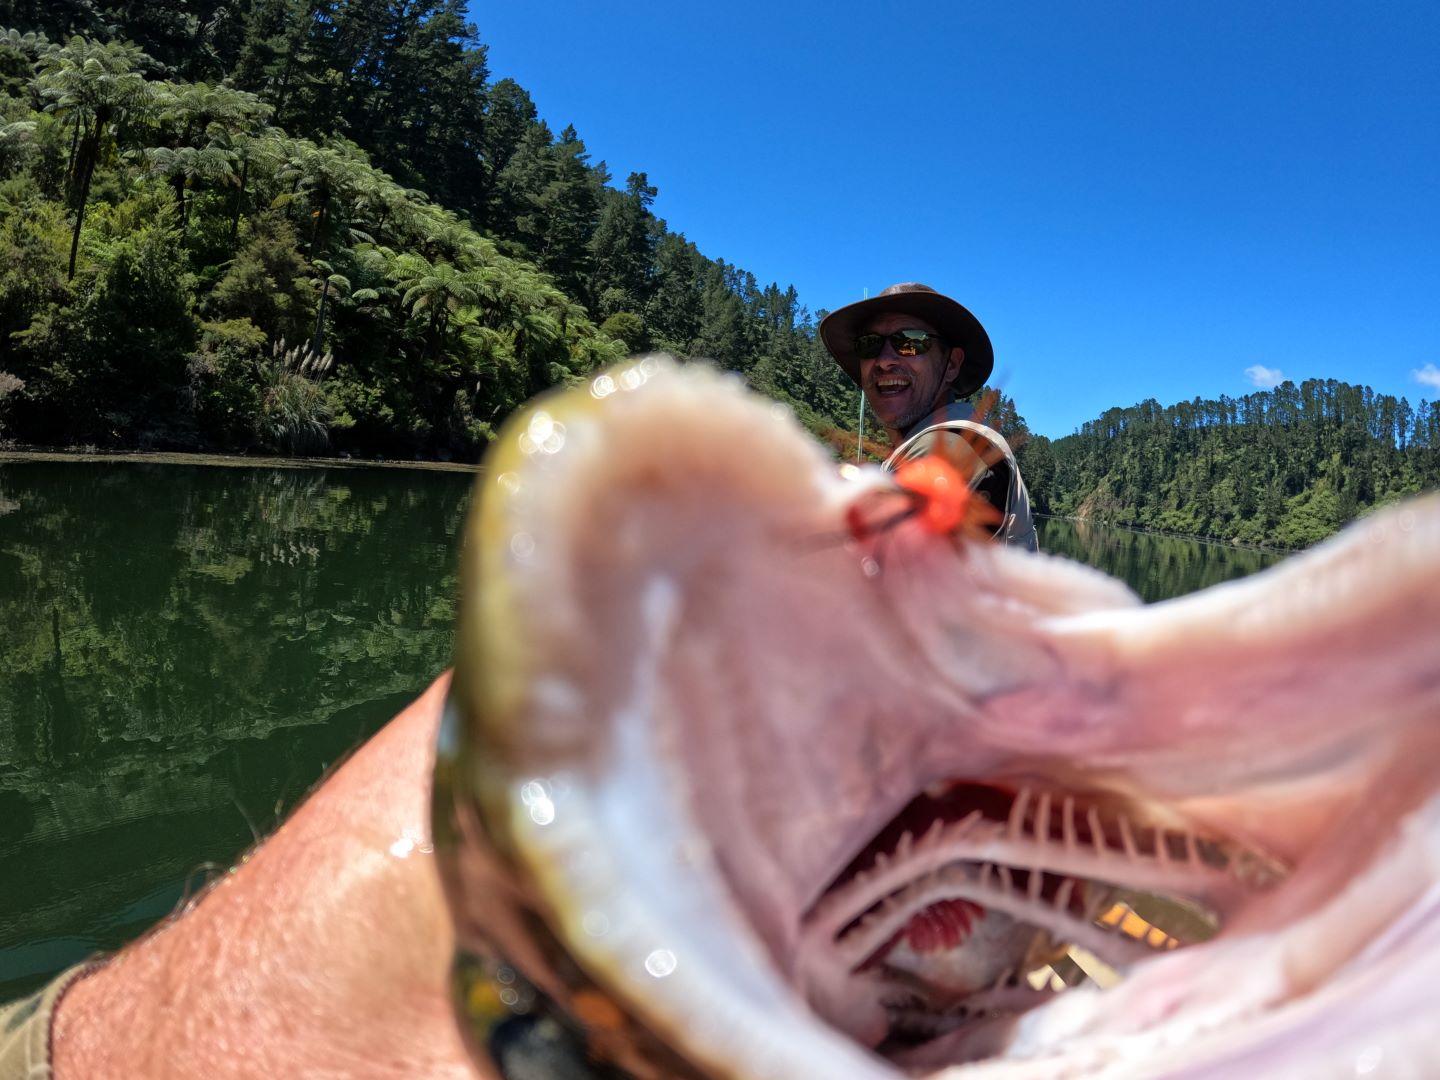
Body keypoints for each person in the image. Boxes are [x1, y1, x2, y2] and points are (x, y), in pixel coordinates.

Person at [820, 282, 1038, 550]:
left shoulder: (950, 447)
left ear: (952, 365)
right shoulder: (926, 443)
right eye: (869, 344)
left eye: (910, 342)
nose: (884, 360)